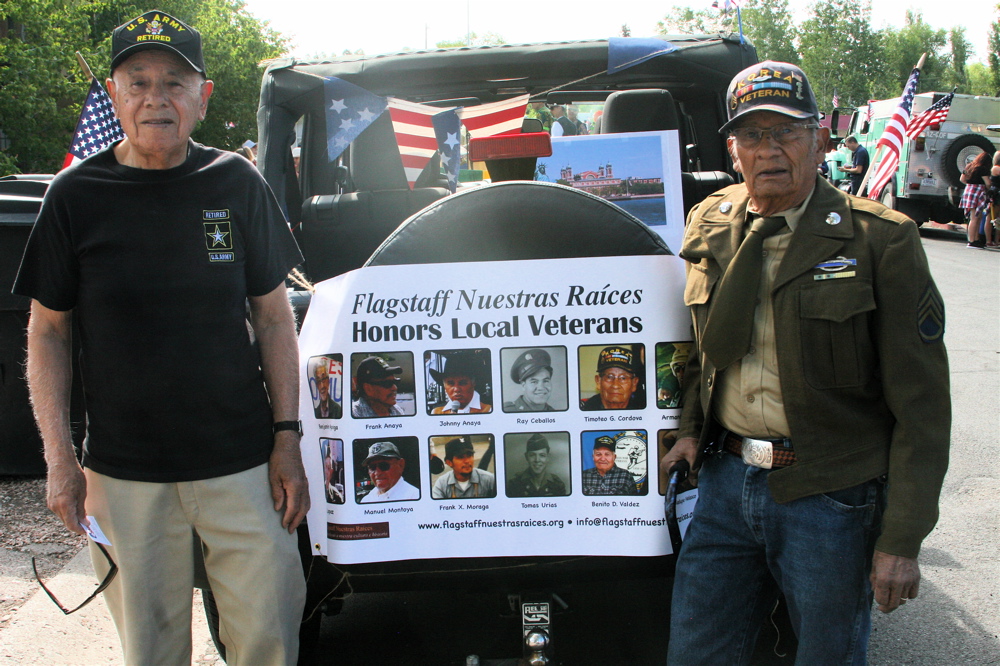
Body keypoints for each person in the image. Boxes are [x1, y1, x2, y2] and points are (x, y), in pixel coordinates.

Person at [13, 11, 309, 664]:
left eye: (174, 82)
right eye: (138, 81)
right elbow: (48, 333)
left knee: (269, 640)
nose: (156, 98)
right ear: (115, 95)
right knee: (152, 652)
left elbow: (273, 315)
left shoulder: (237, 182)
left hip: (242, 465)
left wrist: (287, 437)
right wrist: (61, 458)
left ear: (201, 98)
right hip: (124, 476)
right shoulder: (74, 195)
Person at [660, 61, 950, 664]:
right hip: (724, 482)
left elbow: (923, 408)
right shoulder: (710, 221)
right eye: (752, 135)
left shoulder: (879, 241)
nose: (768, 150)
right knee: (696, 652)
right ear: (733, 148)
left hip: (831, 495)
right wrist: (691, 430)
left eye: (786, 132)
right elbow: (700, 352)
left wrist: (902, 538)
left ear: (820, 141)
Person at [580, 346, 643, 410]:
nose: (615, 385)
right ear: (598, 381)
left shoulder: (643, 411)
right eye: (609, 377)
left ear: (634, 384)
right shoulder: (583, 409)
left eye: (623, 378)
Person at [432, 436, 497, 499]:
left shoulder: (490, 480)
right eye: (460, 457)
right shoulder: (442, 483)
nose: (467, 461)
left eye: (469, 455)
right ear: (449, 462)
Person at [506, 433, 568, 497]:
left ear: (548, 457)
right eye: (532, 455)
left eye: (542, 455)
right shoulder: (514, 485)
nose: (537, 460)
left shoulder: (557, 485)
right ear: (526, 457)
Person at [960, 150, 993, 249]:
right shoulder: (983, 169)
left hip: (969, 190)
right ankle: (972, 241)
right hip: (978, 191)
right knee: (975, 217)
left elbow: (962, 179)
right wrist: (989, 189)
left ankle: (974, 239)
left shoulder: (969, 166)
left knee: (974, 216)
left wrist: (970, 185)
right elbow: (987, 183)